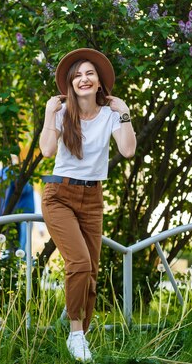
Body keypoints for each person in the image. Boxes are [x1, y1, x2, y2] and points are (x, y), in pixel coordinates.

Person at [39, 48, 136, 361]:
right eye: (78, 74)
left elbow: (128, 150)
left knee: (90, 272)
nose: (83, 78)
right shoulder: (60, 112)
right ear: (71, 82)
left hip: (92, 198)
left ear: (98, 83)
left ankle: (80, 336)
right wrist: (47, 113)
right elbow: (47, 151)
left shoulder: (110, 115)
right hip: (59, 196)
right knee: (79, 263)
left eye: (89, 73)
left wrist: (124, 111)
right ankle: (75, 333)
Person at [0, 164, 35, 253]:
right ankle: (14, 259)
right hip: (12, 213)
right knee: (14, 242)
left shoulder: (14, 176)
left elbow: (26, 189)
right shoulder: (1, 175)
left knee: (21, 244)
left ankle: (20, 260)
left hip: (23, 213)